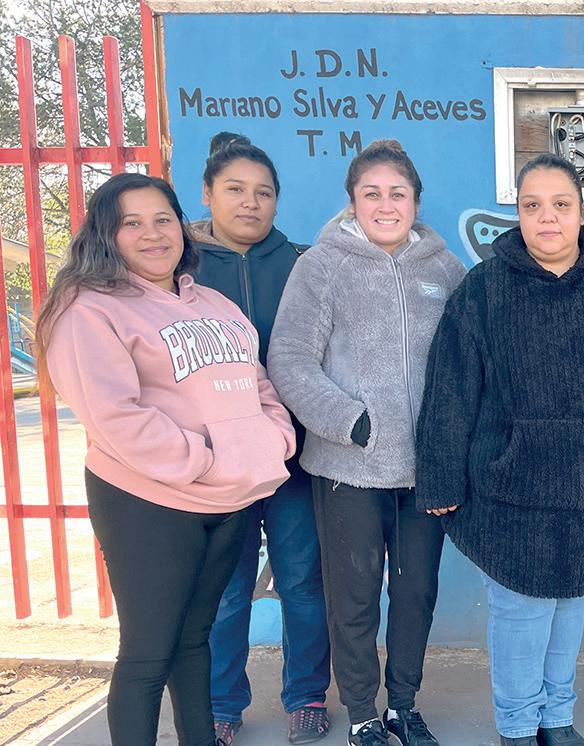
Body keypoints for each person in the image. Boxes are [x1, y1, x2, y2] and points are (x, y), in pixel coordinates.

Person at [36, 172, 295, 745]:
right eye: (132, 223)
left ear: (182, 226)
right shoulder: (88, 310)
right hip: (149, 503)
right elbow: (116, 416)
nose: (152, 234)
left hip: (228, 499)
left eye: (162, 220)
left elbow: (258, 383)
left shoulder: (214, 303)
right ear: (106, 234)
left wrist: (269, 441)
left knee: (194, 643)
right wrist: (207, 460)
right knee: (149, 654)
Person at [416, 154, 584, 746]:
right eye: (532, 205)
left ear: (583, 212)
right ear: (517, 214)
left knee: (570, 602)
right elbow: (451, 387)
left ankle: (556, 719)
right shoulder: (483, 290)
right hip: (510, 484)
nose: (547, 217)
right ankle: (518, 727)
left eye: (561, 204)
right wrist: (440, 477)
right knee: (520, 611)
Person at [268, 140, 466, 746]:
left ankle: (403, 706)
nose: (385, 205)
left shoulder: (446, 270)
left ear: (416, 201)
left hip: (424, 472)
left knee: (415, 594)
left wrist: (453, 443)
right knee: (352, 598)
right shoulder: (321, 266)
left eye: (397, 193)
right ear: (352, 201)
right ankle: (361, 712)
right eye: (371, 193)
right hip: (348, 468)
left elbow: (467, 364)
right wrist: (351, 421)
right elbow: (289, 358)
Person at [191, 132, 332, 745]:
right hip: (217, 464)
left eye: (263, 192)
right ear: (207, 194)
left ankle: (306, 696)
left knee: (302, 582)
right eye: (235, 189)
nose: (250, 202)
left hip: (294, 458)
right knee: (226, 592)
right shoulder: (182, 270)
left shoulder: (304, 263)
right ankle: (222, 704)